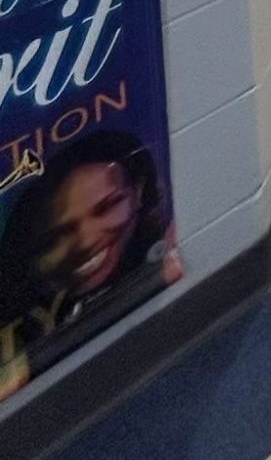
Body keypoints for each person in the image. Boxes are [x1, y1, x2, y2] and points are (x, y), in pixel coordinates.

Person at [0, 130, 180, 397]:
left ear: (139, 190)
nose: (86, 242)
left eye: (107, 207)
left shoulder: (161, 244)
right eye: (58, 235)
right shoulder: (19, 328)